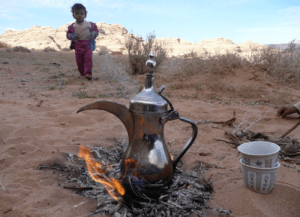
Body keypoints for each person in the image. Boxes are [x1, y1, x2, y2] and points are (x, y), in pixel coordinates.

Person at [66, 3, 99, 80]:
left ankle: (88, 73)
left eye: (81, 13)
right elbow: (68, 34)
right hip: (78, 45)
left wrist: (93, 34)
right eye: (77, 13)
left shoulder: (90, 24)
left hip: (88, 45)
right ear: (73, 15)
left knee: (88, 59)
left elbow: (96, 30)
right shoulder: (72, 26)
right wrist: (72, 36)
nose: (79, 15)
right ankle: (82, 73)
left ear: (85, 15)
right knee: (79, 61)